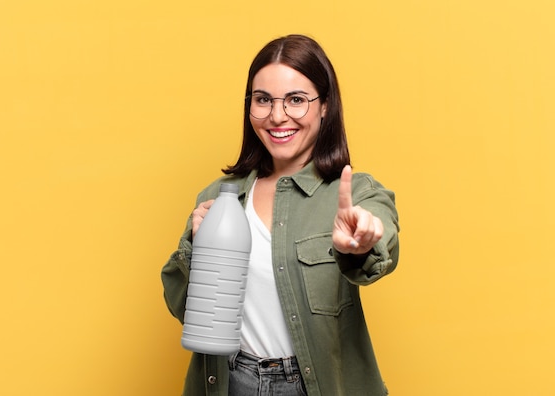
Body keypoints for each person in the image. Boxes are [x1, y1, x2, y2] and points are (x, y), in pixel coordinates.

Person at [161, 34, 400, 396]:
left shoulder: (353, 194)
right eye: (263, 100)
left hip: (314, 385)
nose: (277, 116)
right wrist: (196, 250)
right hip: (231, 382)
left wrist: (365, 239)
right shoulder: (219, 199)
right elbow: (186, 312)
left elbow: (380, 233)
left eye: (296, 100)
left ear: (325, 106)